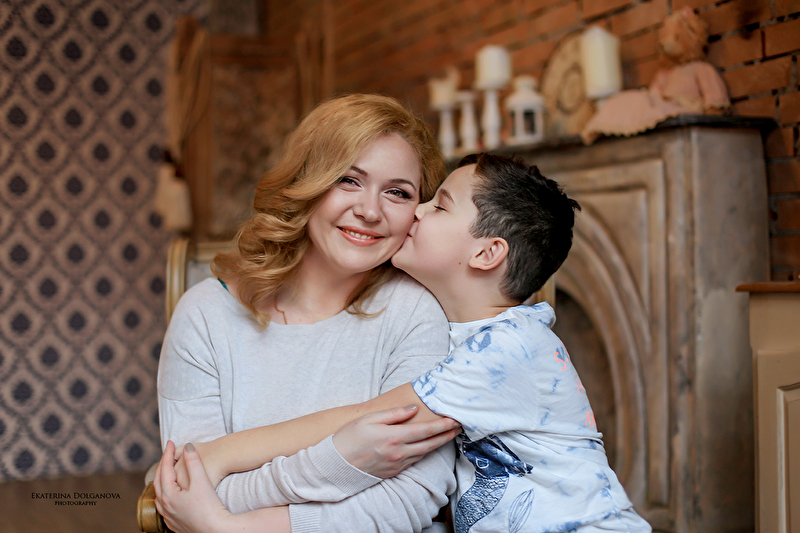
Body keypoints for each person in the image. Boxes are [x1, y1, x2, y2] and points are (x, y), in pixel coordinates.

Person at [157, 152, 652, 532]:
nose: (416, 211)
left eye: (439, 205)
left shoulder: (504, 352)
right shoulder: (472, 337)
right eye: (349, 180)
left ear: (486, 253)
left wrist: (220, 461)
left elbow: (363, 419)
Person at [154, 93, 464, 533]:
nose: (370, 211)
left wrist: (225, 523)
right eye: (348, 180)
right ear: (307, 183)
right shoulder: (205, 315)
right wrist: (346, 458)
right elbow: (188, 486)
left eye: (397, 192)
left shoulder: (417, 312)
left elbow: (408, 500)